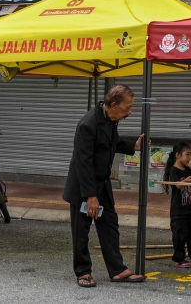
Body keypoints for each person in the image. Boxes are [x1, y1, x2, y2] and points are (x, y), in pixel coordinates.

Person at [63, 84, 147, 287]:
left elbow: (112, 142)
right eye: (127, 107)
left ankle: (117, 270)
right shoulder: (88, 124)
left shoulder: (111, 121)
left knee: (109, 225)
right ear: (114, 104)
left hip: (101, 184)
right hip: (84, 186)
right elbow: (83, 162)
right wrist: (90, 195)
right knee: (81, 230)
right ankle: (83, 272)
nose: (130, 112)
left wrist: (133, 146)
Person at [163, 141, 191, 268]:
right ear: (178, 155)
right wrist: (187, 179)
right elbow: (178, 185)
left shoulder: (187, 169)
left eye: (190, 154)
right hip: (178, 210)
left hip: (189, 208)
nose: (189, 157)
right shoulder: (174, 170)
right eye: (187, 154)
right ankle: (179, 259)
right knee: (180, 235)